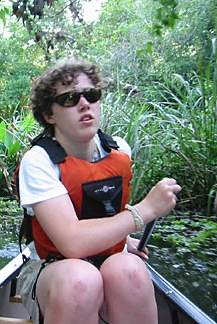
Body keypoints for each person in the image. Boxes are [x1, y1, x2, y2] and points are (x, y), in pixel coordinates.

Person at [16, 58, 182, 324]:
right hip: (54, 269)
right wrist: (146, 210)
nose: (84, 103)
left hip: (109, 257)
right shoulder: (39, 161)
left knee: (130, 270)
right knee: (80, 280)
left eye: (91, 95)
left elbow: (104, 214)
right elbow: (72, 243)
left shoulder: (119, 150)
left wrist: (125, 242)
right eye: (70, 98)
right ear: (49, 115)